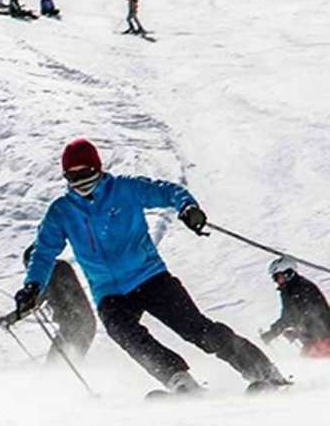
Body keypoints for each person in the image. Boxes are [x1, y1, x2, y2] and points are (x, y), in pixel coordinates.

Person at [15, 139, 287, 394]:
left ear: (97, 168)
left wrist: (187, 207)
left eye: (85, 172)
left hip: (149, 277)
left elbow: (169, 191)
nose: (80, 181)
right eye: (72, 176)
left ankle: (265, 373)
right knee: (126, 334)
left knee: (198, 330)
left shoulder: (125, 189)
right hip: (108, 292)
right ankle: (180, 381)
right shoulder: (62, 211)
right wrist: (32, 287)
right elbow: (44, 252)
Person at [0, 247, 96, 363]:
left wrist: (12, 318)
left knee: (58, 364)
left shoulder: (56, 271)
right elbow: (35, 302)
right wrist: (11, 318)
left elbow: (37, 299)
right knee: (64, 362)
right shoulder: (57, 269)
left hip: (77, 323)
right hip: (77, 324)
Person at [261, 257, 330, 357]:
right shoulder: (294, 288)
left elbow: (292, 315)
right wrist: (296, 332)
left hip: (321, 340)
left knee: (311, 366)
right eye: (274, 278)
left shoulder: (299, 289)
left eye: (277, 277)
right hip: (315, 339)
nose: (276, 281)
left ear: (288, 273)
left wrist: (272, 333)